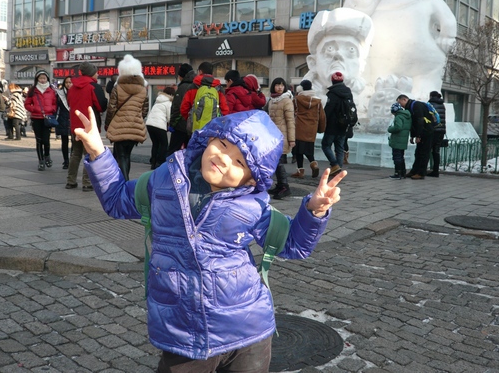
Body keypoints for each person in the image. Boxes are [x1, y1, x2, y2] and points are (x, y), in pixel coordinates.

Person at [73, 107, 345, 372]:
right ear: (209, 137)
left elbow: (292, 244)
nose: (225, 159)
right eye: (223, 144)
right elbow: (118, 200)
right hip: (184, 334)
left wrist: (315, 210)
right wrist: (98, 152)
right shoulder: (162, 180)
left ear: (251, 180)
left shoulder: (252, 206)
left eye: (240, 162)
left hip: (248, 332)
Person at [105, 54, 149, 181]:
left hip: (119, 126)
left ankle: (124, 180)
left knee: (121, 155)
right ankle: (125, 179)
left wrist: (108, 124)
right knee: (127, 156)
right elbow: (144, 110)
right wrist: (137, 118)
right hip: (135, 126)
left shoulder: (117, 88)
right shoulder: (143, 89)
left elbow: (111, 108)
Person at [66, 62, 107, 190]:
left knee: (75, 153)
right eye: (96, 71)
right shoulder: (93, 86)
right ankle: (87, 183)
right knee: (89, 154)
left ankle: (71, 181)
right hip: (89, 125)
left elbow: (69, 103)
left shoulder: (72, 87)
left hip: (75, 125)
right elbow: (101, 106)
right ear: (91, 73)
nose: (98, 74)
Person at [266, 77, 295, 199]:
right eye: (277, 85)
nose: (280, 87)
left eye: (282, 85)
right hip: (272, 136)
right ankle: (280, 185)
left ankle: (285, 186)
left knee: (278, 162)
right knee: (275, 162)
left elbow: (290, 120)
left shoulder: (286, 100)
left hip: (282, 136)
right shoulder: (272, 100)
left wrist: (292, 139)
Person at [180, 62, 230, 132]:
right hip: (213, 129)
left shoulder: (192, 86)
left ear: (200, 71)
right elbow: (225, 110)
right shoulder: (218, 88)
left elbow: (184, 108)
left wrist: (191, 120)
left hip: (196, 128)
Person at [291, 79, 326, 179]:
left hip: (299, 128)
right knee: (309, 150)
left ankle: (300, 171)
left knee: (298, 151)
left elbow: (291, 112)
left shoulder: (297, 99)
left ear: (300, 88)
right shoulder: (318, 102)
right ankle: (313, 164)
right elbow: (322, 117)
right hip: (311, 130)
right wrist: (321, 129)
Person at [322, 72, 354, 177]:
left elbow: (328, 110)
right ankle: (338, 170)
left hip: (332, 125)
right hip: (344, 125)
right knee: (339, 147)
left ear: (332, 81)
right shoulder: (348, 92)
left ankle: (334, 164)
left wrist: (323, 120)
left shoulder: (333, 93)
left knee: (326, 145)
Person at [24, 71, 58, 171]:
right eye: (40, 78)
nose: (42, 80)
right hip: (36, 118)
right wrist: (34, 109)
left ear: (47, 79)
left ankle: (47, 155)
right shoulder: (32, 91)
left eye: (44, 78)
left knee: (46, 140)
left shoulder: (51, 90)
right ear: (37, 79)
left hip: (47, 118)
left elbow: (55, 103)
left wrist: (52, 109)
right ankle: (41, 161)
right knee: (39, 140)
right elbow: (27, 104)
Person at [397, 94, 434, 180]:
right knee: (418, 152)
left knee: (424, 153)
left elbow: (420, 121)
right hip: (422, 132)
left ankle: (421, 173)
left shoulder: (416, 105)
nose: (400, 105)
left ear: (405, 100)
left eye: (400, 102)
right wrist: (413, 136)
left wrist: (418, 135)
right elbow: (413, 123)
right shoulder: (410, 107)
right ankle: (414, 171)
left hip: (427, 132)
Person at [166, 63, 195, 156]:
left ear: (181, 75)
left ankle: (169, 170)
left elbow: (177, 107)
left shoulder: (183, 87)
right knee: (188, 152)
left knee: (173, 151)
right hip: (191, 125)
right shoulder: (195, 86)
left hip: (180, 125)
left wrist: (173, 124)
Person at [146, 87, 174, 170]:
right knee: (164, 144)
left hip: (149, 124)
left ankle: (153, 162)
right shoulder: (168, 102)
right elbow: (169, 117)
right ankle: (159, 162)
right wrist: (170, 124)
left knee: (155, 143)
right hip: (159, 125)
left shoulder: (158, 101)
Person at [387, 102, 412, 179]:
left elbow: (398, 127)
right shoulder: (407, 116)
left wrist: (390, 129)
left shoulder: (398, 117)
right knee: (401, 157)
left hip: (397, 140)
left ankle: (398, 173)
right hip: (403, 140)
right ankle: (403, 173)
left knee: (396, 157)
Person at [427, 91, 446, 177]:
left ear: (431, 96)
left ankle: (423, 170)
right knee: (436, 151)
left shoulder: (430, 104)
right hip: (441, 130)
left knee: (427, 150)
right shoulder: (442, 104)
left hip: (433, 130)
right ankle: (435, 171)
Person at [56, 76, 73, 169]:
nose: (68, 84)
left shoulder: (77, 92)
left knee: (74, 141)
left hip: (73, 118)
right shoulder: (60, 93)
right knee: (64, 141)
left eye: (70, 82)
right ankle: (66, 161)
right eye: (66, 82)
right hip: (63, 118)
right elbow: (56, 107)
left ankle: (73, 159)